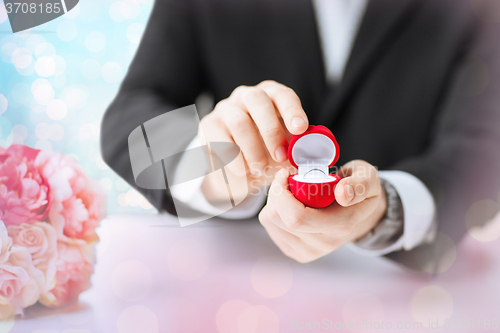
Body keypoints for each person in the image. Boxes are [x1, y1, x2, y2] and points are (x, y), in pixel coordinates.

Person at [101, 0, 500, 272]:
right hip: (227, 278)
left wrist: (388, 210)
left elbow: (485, 149)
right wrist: (203, 165)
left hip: (397, 292)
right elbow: (132, 108)